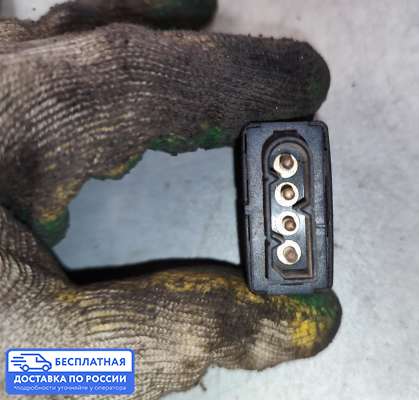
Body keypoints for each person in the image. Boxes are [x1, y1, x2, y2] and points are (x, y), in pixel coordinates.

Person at [0, 1, 341, 398]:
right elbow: (48, 368)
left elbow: (53, 368)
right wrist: (32, 371)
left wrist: (30, 371)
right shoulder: (30, 368)